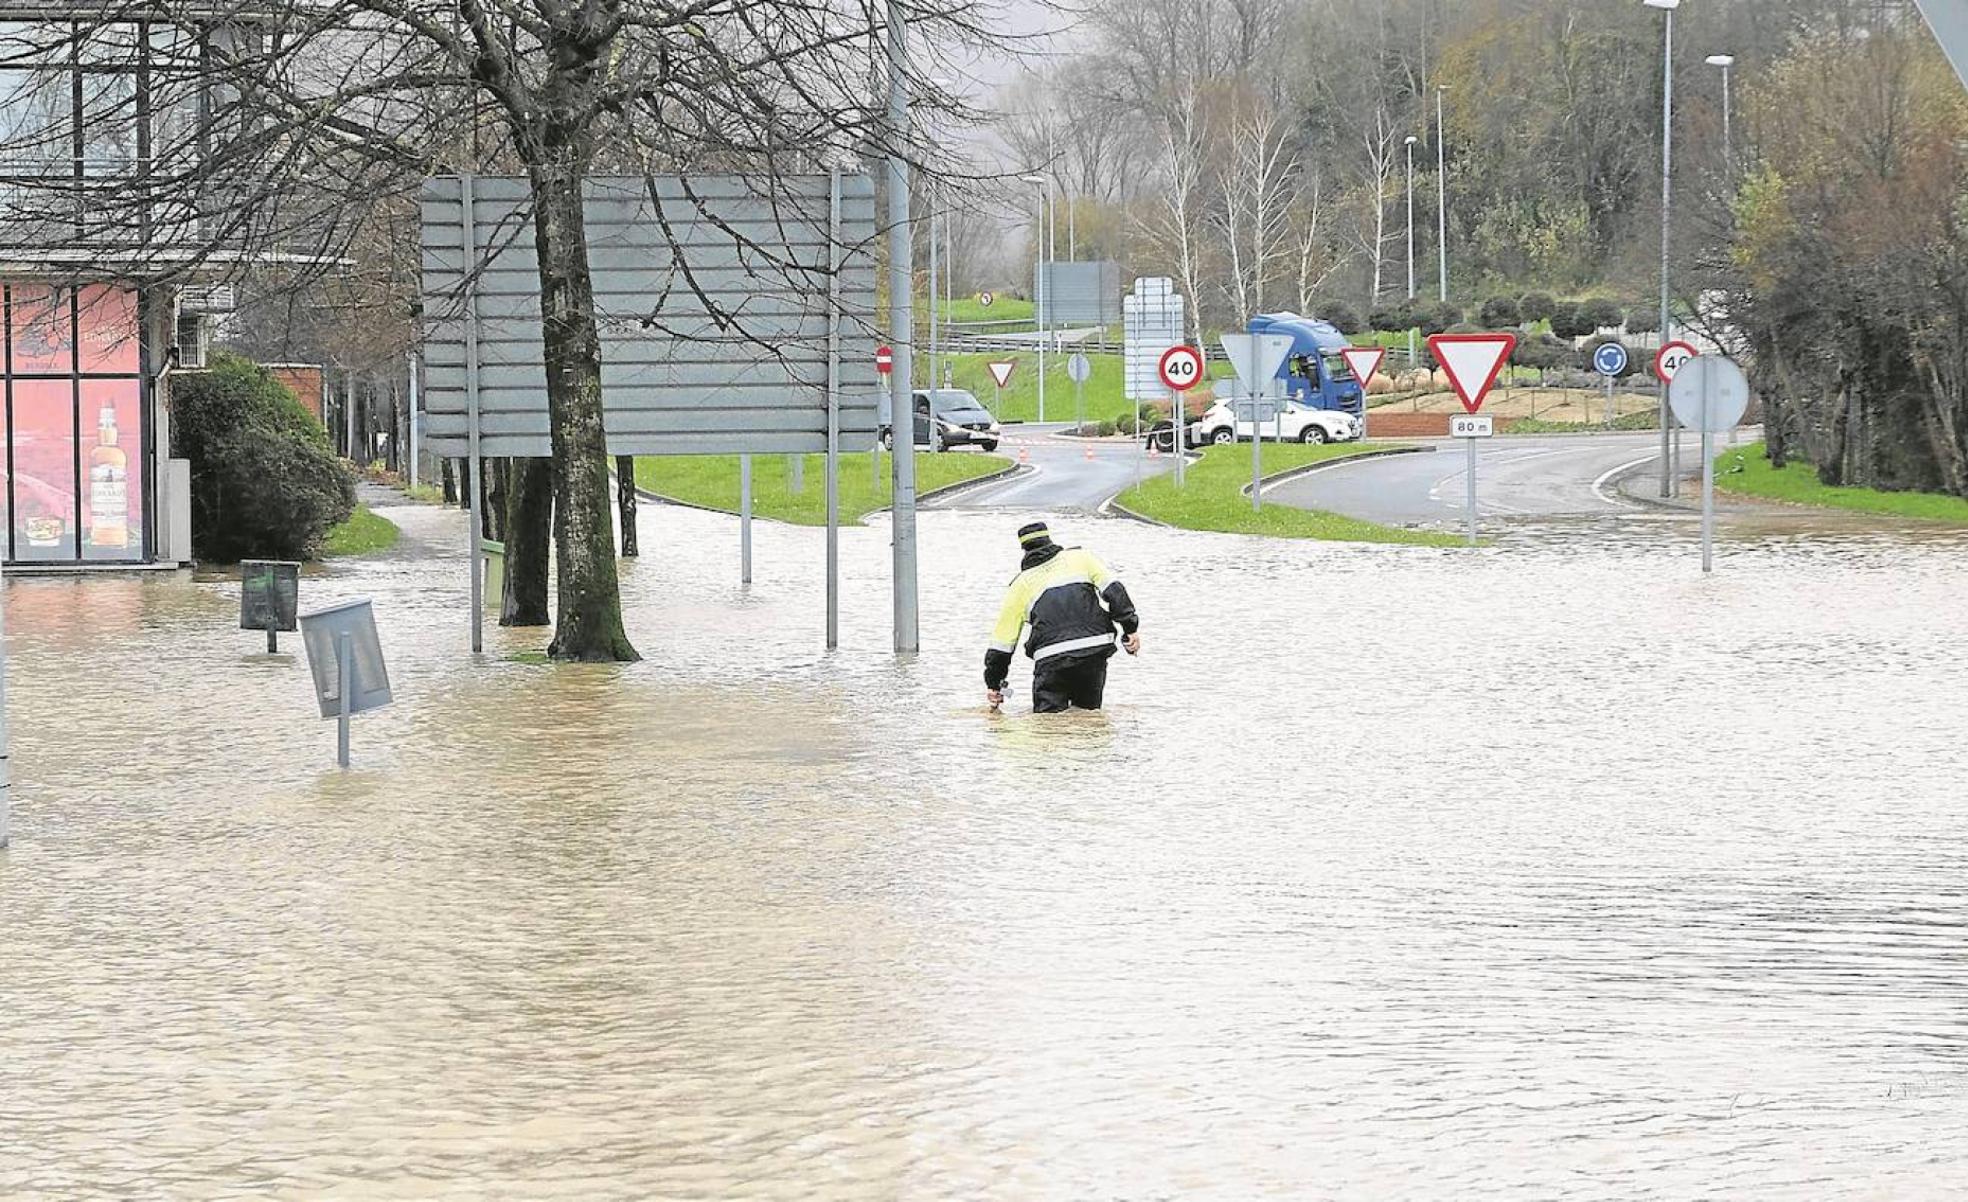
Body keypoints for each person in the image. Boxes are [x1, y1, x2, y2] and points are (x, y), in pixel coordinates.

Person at [984, 521, 1140, 713]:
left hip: (1050, 659)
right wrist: (1130, 628)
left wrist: (994, 684)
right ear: (1049, 540)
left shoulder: (1018, 586)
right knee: (1088, 718)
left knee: (1048, 729)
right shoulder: (1082, 558)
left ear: (1024, 550)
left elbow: (1002, 645)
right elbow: (1115, 592)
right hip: (1093, 651)